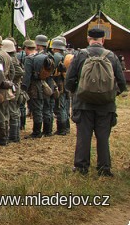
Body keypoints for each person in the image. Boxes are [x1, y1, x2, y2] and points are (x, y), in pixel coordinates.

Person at [65, 26, 126, 176]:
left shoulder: (80, 55)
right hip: (106, 105)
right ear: (103, 40)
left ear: (88, 39)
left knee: (83, 137)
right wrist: (110, 94)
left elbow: (69, 81)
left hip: (83, 104)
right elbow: (122, 83)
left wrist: (79, 92)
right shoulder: (111, 56)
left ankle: (81, 168)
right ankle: (104, 168)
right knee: (103, 137)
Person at [50, 37, 71, 136]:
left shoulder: (57, 56)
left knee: (59, 107)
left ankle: (61, 129)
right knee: (65, 106)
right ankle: (66, 127)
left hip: (59, 84)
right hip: (67, 84)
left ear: (55, 48)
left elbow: (52, 69)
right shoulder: (67, 55)